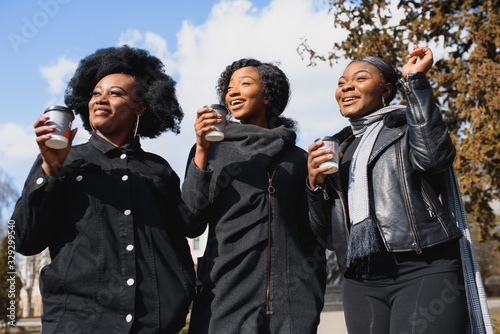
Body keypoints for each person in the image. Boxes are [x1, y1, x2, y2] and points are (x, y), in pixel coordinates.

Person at [11, 45, 195, 333]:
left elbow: (186, 230)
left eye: (115, 93)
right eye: (96, 93)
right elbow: (24, 240)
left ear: (140, 108)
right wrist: (50, 171)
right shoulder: (63, 160)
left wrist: (180, 293)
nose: (101, 99)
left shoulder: (159, 170)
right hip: (79, 324)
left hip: (154, 325)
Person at [307, 45, 470, 333]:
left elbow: (435, 159)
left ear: (386, 89)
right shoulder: (339, 149)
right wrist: (314, 185)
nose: (346, 87)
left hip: (422, 265)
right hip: (361, 277)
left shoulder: (408, 127)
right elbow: (327, 238)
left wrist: (415, 82)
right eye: (341, 83)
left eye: (359, 79)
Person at [181, 58, 326, 333]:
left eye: (245, 84)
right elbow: (190, 221)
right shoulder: (211, 152)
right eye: (229, 87)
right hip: (224, 301)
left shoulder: (297, 159)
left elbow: (314, 234)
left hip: (293, 304)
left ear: (267, 95)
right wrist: (201, 148)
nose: (232, 92)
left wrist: (310, 291)